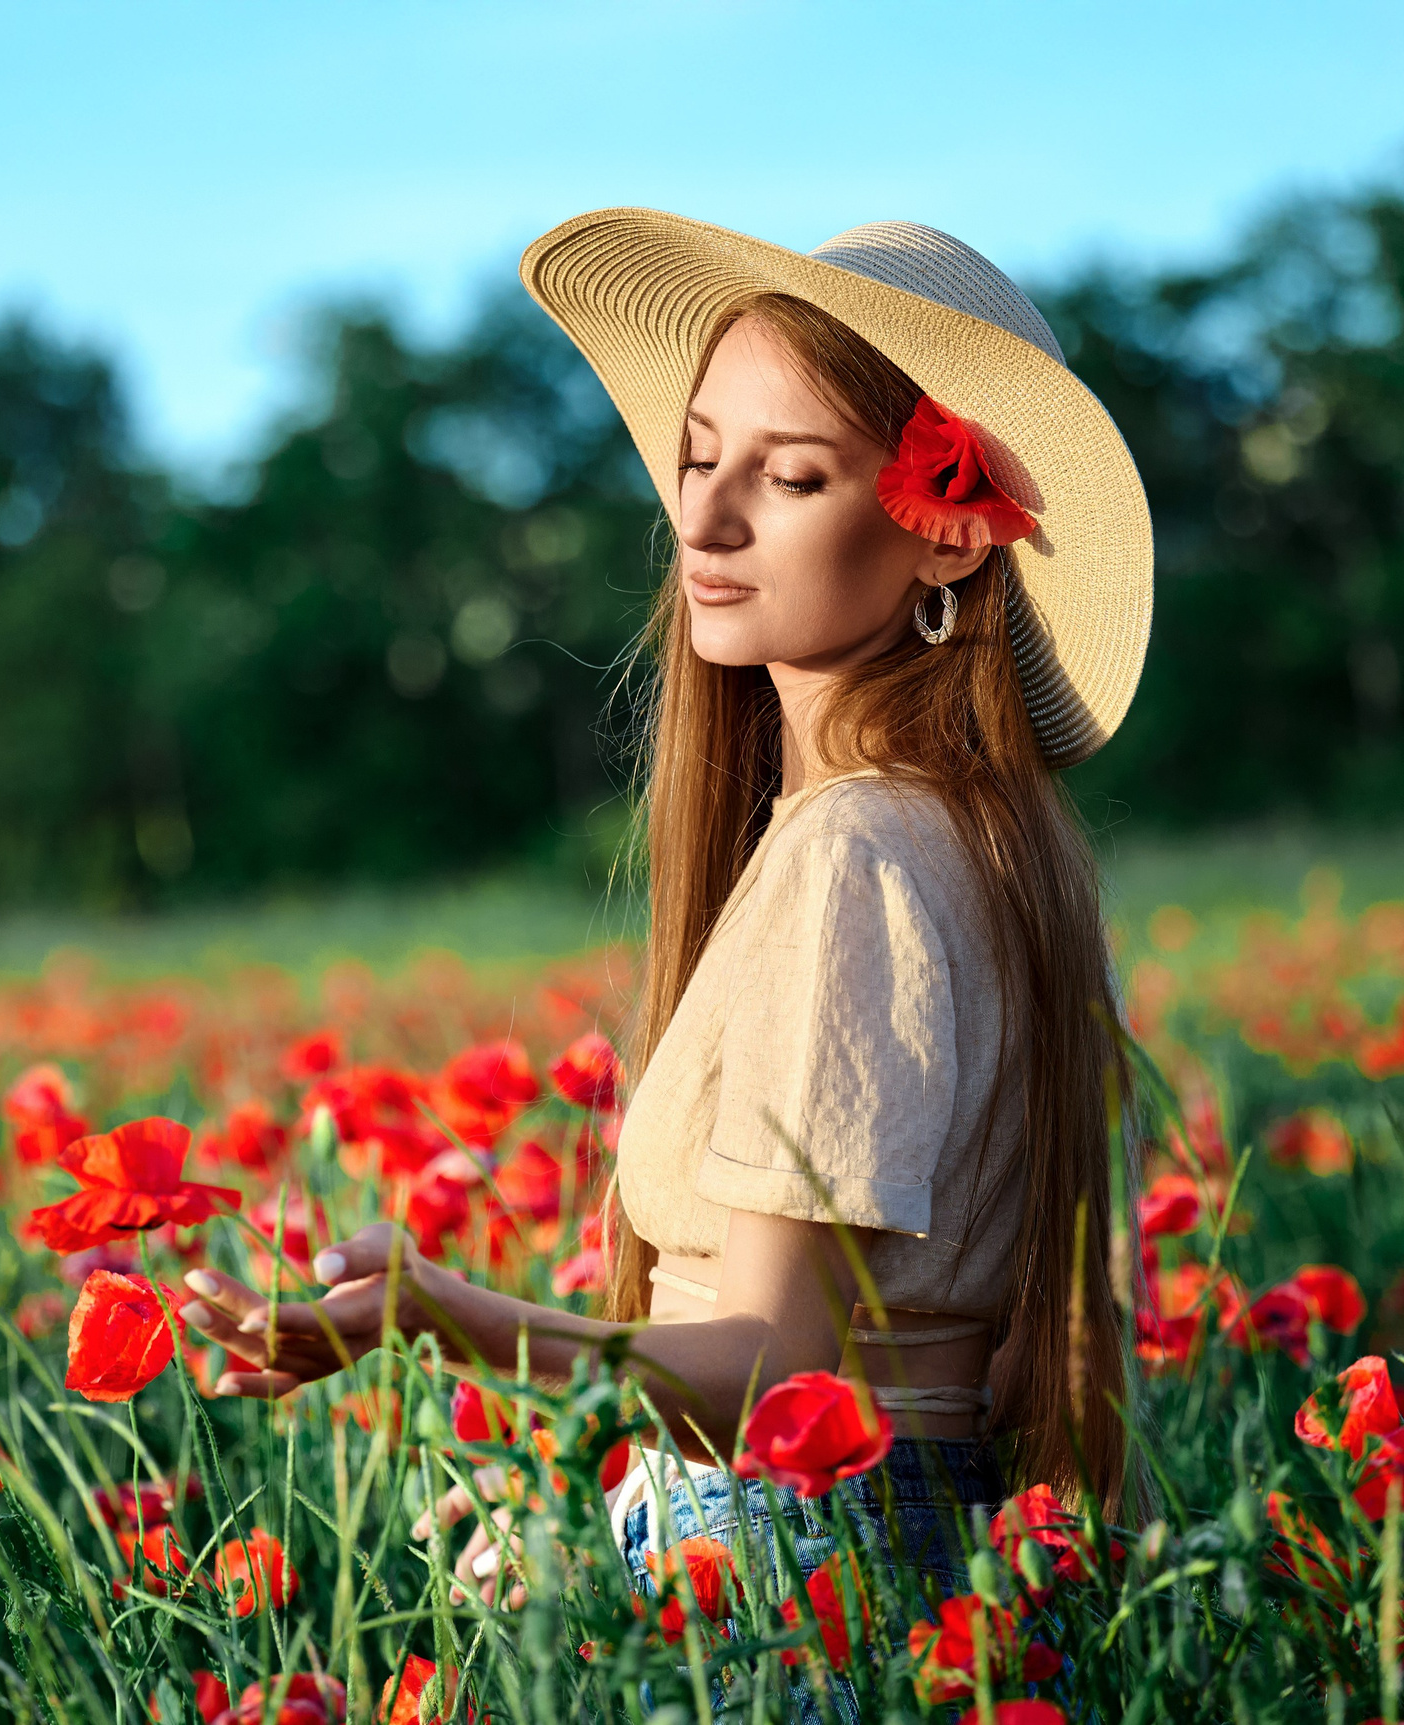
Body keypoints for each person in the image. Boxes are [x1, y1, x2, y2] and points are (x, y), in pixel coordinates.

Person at [177, 210, 1151, 1609]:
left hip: (791, 1564)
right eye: (701, 457)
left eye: (792, 475)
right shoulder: (975, 837)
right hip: (889, 1551)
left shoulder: (861, 849)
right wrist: (582, 1504)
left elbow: (780, 1378)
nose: (703, 518)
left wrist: (439, 1312)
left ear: (946, 540)